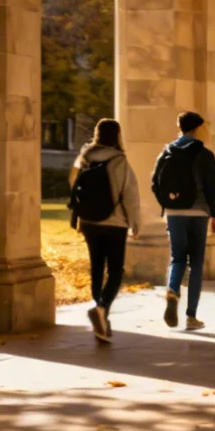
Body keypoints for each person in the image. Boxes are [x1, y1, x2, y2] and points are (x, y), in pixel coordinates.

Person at [69, 118, 141, 343]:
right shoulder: (119, 160)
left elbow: (73, 183)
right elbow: (129, 195)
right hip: (115, 221)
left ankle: (100, 315)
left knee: (97, 267)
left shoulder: (84, 157)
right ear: (117, 135)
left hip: (89, 221)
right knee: (116, 270)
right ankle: (102, 309)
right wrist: (135, 223)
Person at [152, 111, 215, 332]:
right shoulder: (204, 154)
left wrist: (168, 203)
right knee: (196, 263)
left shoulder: (167, 152)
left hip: (174, 213)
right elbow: (213, 187)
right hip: (199, 212)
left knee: (178, 257)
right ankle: (191, 316)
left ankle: (172, 289)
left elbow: (155, 182)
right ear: (197, 128)